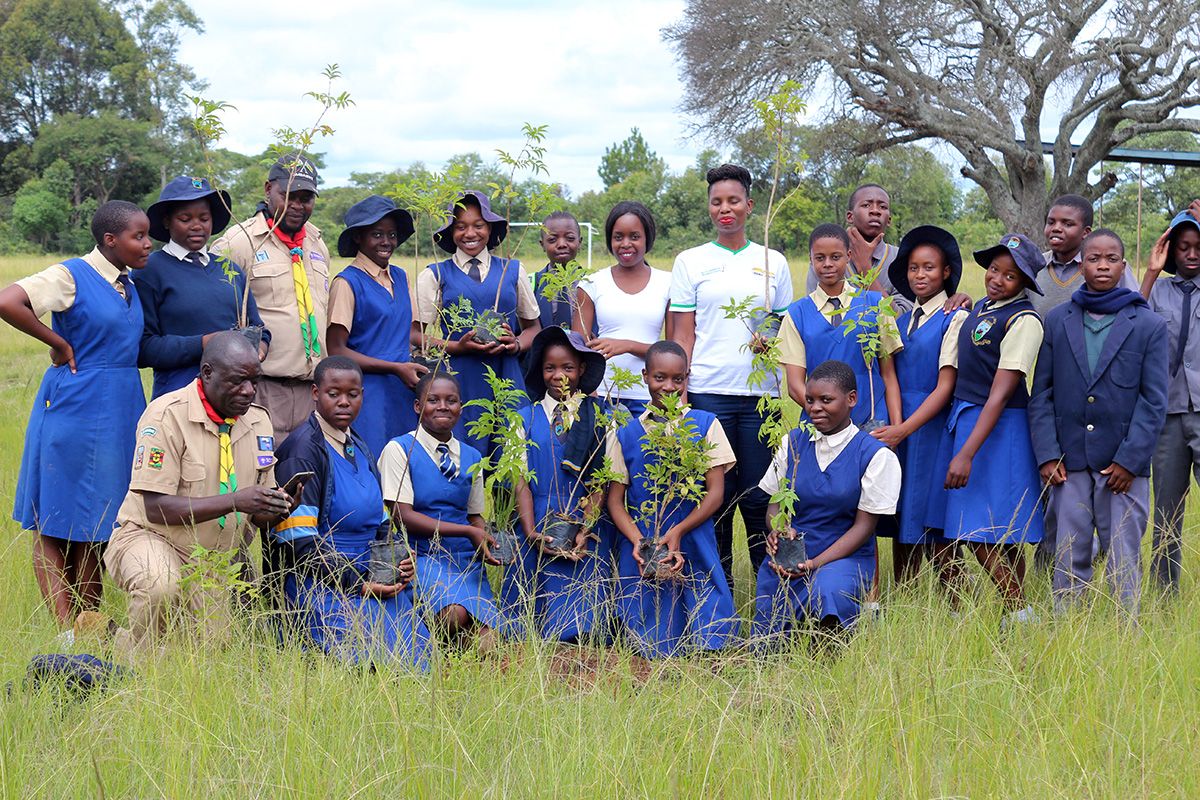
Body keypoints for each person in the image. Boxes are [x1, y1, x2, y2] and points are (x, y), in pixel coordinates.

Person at [81, 332, 299, 657]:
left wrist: (278, 506)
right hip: (151, 537)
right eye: (239, 382)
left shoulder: (258, 421)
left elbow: (257, 512)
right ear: (207, 373)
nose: (249, 391)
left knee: (199, 655)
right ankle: (139, 684)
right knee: (160, 587)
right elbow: (155, 508)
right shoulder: (165, 416)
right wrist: (237, 500)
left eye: (255, 381)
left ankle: (106, 634)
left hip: (211, 556)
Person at [2, 200, 152, 627]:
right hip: (77, 404)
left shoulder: (129, 283)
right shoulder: (71, 275)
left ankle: (91, 624)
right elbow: (9, 301)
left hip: (121, 406)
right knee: (54, 517)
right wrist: (59, 343)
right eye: (138, 236)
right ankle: (67, 633)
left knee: (99, 521)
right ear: (110, 240)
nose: (147, 244)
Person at [1030, 230, 1167, 615]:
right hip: (1068, 463)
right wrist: (1047, 454)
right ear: (1081, 266)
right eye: (1093, 259)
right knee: (1069, 551)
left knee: (1124, 553)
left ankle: (1126, 633)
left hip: (1122, 466)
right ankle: (1068, 629)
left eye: (1111, 259)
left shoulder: (1147, 324)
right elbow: (1041, 393)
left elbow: (1154, 400)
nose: (1102, 266)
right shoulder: (1058, 320)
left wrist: (1131, 461)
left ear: (1123, 266)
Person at [669, 163, 793, 586]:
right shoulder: (690, 262)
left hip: (762, 399)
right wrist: (682, 395)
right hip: (708, 395)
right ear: (709, 207)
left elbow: (783, 324)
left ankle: (766, 595)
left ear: (749, 205)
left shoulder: (772, 261)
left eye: (733, 201)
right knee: (713, 500)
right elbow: (682, 333)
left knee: (760, 500)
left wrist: (768, 335)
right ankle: (717, 596)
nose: (725, 209)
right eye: (717, 202)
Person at [271, 356, 432, 668]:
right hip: (323, 585)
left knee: (420, 657)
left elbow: (381, 521)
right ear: (316, 393)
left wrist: (400, 559)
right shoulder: (302, 451)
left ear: (362, 395)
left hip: (374, 579)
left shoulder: (358, 444)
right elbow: (299, 544)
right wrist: (358, 583)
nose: (344, 402)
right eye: (334, 394)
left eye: (353, 394)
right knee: (377, 665)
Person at [606, 340, 739, 658]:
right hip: (643, 538)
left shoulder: (706, 424)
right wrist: (638, 540)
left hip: (693, 531)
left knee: (705, 608)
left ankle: (710, 650)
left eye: (677, 380)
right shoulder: (624, 432)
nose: (668, 386)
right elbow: (615, 501)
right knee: (648, 626)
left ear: (686, 378)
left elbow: (716, 493)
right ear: (644, 376)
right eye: (659, 378)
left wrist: (678, 531)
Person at [753, 360, 901, 640]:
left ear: (852, 399)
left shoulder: (876, 455)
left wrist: (815, 563)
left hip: (845, 555)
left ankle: (831, 645)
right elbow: (775, 504)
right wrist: (777, 529)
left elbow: (864, 528)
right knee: (771, 621)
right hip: (794, 553)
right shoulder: (792, 443)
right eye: (810, 400)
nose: (815, 408)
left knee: (826, 590)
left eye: (826, 400)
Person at [943, 234, 1046, 624]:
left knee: (978, 526)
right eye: (994, 270)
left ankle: (1020, 611)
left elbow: (1001, 393)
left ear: (1024, 284)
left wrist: (967, 452)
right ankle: (1011, 613)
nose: (998, 279)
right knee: (991, 525)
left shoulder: (1025, 320)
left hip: (999, 428)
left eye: (1011, 275)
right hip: (970, 419)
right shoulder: (985, 307)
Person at [378, 371, 511, 648]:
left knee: (492, 642)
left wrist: (488, 542)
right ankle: (429, 639)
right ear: (418, 407)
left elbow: (474, 515)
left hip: (463, 559)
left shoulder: (473, 456)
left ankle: (454, 648)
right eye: (433, 400)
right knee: (454, 615)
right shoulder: (399, 449)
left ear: (460, 407)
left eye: (451, 400)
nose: (442, 406)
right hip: (421, 556)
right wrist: (467, 531)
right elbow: (402, 514)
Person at [501, 326, 615, 642]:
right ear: (540, 371)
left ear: (581, 370)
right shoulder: (522, 418)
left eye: (567, 367)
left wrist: (583, 526)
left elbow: (602, 481)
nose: (558, 375)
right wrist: (529, 531)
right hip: (535, 517)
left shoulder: (601, 416)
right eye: (550, 368)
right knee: (529, 616)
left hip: (583, 521)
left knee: (583, 621)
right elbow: (520, 480)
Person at [871, 226, 969, 586]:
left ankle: (958, 607)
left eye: (929, 268)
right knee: (901, 517)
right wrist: (896, 428)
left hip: (931, 429)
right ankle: (907, 602)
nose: (920, 275)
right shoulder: (899, 320)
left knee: (935, 519)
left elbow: (946, 386)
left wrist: (904, 429)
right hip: (900, 428)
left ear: (945, 272)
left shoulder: (954, 318)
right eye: (913, 268)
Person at [411, 190, 541, 455]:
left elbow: (533, 328)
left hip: (506, 377)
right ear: (451, 232)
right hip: (458, 381)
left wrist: (515, 343)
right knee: (464, 455)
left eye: (478, 225)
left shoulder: (513, 270)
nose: (470, 234)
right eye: (461, 227)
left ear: (490, 228)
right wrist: (457, 347)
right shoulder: (435, 274)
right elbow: (415, 336)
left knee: (511, 453)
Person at [211, 153, 331, 441]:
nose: (297, 206)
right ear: (268, 190)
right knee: (261, 473)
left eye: (306, 198)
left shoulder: (317, 243)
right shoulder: (238, 242)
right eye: (288, 195)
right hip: (262, 388)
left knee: (305, 476)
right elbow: (216, 313)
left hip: (311, 390)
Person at [137, 175, 270, 398]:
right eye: (185, 219)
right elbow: (144, 348)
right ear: (167, 221)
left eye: (204, 218)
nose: (197, 226)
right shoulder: (149, 271)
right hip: (179, 396)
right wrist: (205, 343)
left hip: (234, 398)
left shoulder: (231, 271)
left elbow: (258, 328)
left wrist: (258, 350)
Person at [326, 195, 426, 458]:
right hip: (366, 393)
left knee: (403, 467)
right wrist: (394, 368)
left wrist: (455, 345)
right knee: (372, 461)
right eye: (377, 234)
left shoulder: (402, 278)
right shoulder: (347, 283)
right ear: (359, 237)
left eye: (392, 235)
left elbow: (412, 335)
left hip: (403, 391)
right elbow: (336, 350)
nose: (386, 242)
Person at [780, 223, 903, 428]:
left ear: (848, 256)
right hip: (820, 424)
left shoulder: (875, 305)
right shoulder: (796, 315)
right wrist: (828, 418)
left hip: (872, 419)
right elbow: (794, 385)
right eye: (820, 258)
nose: (827, 264)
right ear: (810, 259)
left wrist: (896, 428)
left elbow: (889, 374)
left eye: (835, 257)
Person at [1142, 207, 1200, 592]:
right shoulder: (1158, 292)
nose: (1192, 254)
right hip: (1167, 416)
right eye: (1183, 247)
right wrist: (1150, 271)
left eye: (1198, 247)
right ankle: (1164, 595)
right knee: (1166, 512)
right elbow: (1128, 319)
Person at [575, 201, 671, 417]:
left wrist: (626, 345)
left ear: (648, 238)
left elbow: (673, 351)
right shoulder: (591, 283)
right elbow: (578, 347)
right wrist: (589, 391)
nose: (626, 243)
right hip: (602, 394)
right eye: (618, 237)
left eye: (634, 236)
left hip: (651, 396)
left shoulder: (668, 283)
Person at [1033, 194, 1139, 317]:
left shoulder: (1111, 266)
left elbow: (1135, 310)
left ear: (1086, 233)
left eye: (1067, 224)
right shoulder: (1035, 265)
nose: (1056, 228)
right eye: (1051, 222)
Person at [531, 210, 584, 332]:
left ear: (579, 242)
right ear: (542, 245)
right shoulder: (532, 284)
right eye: (552, 240)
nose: (561, 244)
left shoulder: (593, 283)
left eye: (570, 238)